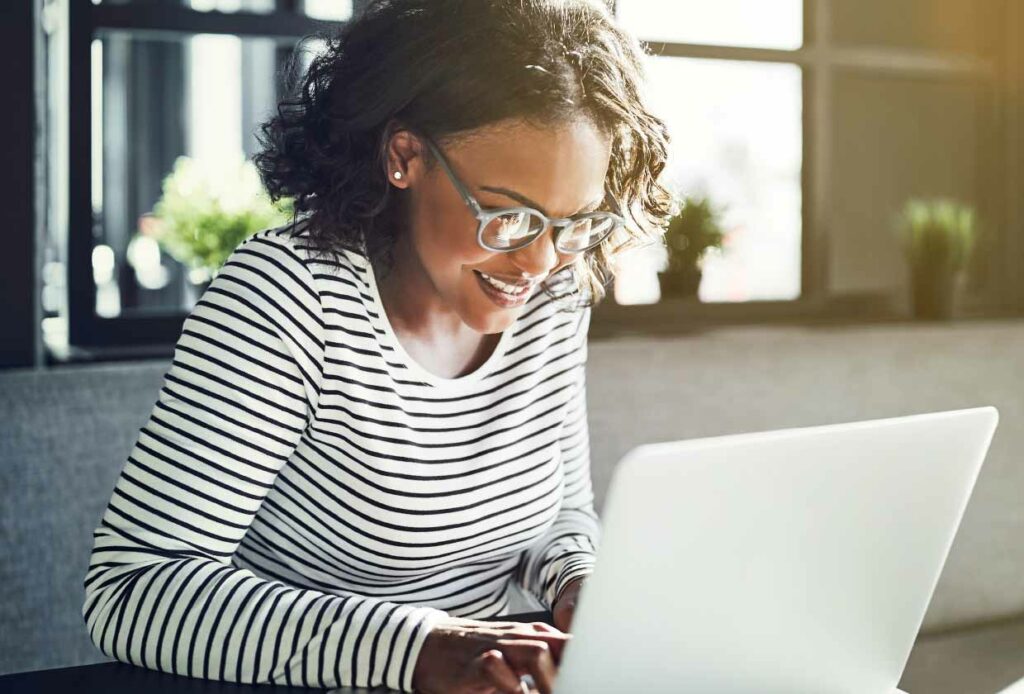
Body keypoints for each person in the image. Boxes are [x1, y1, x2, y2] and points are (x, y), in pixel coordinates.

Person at [81, 1, 671, 692]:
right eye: (509, 215)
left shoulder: (553, 297)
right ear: (405, 156)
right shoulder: (288, 298)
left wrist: (579, 582)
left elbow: (560, 514)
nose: (539, 261)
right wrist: (421, 648)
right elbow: (133, 590)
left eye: (573, 223)